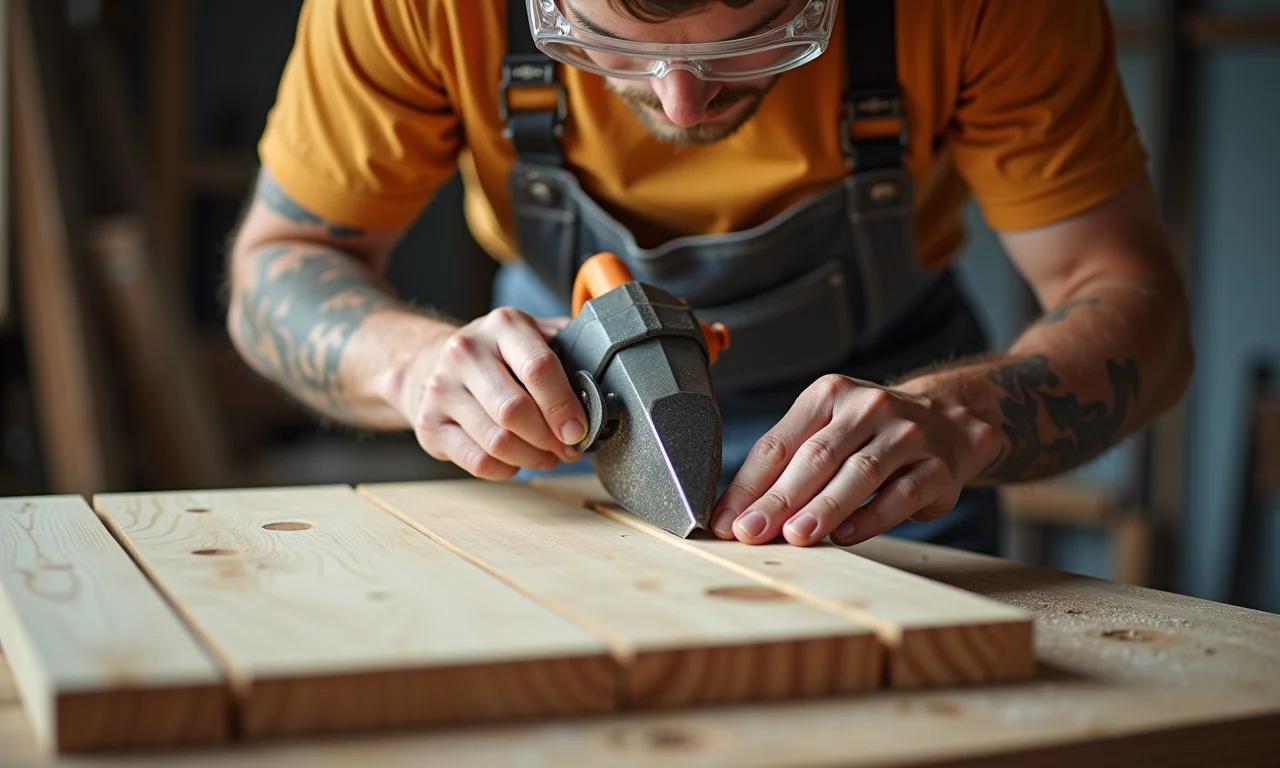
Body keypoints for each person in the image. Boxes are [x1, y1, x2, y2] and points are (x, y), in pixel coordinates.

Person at [225, 0, 1193, 555]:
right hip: (557, 430)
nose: (681, 101)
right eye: (606, 43)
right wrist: (413, 368)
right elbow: (279, 265)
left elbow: (1133, 306)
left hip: (883, 466)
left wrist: (956, 420)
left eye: (756, 36)